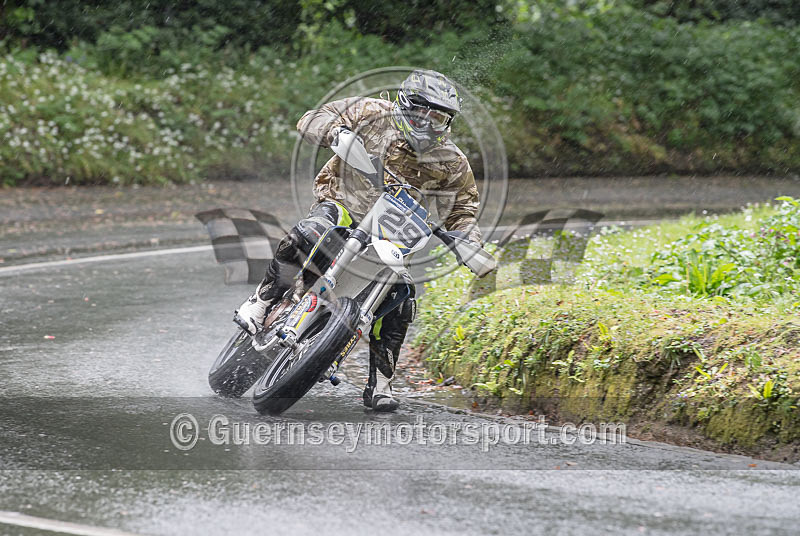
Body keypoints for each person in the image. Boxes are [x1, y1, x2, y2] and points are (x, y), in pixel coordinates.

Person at [236, 69, 483, 411]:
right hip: (343, 203)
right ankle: (263, 300)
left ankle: (382, 380)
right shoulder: (372, 114)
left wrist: (468, 241)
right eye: (420, 114)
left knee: (401, 295)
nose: (427, 124)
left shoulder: (453, 161)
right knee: (314, 231)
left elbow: (464, 207)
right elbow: (312, 118)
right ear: (404, 105)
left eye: (438, 118)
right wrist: (335, 133)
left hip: (393, 233)